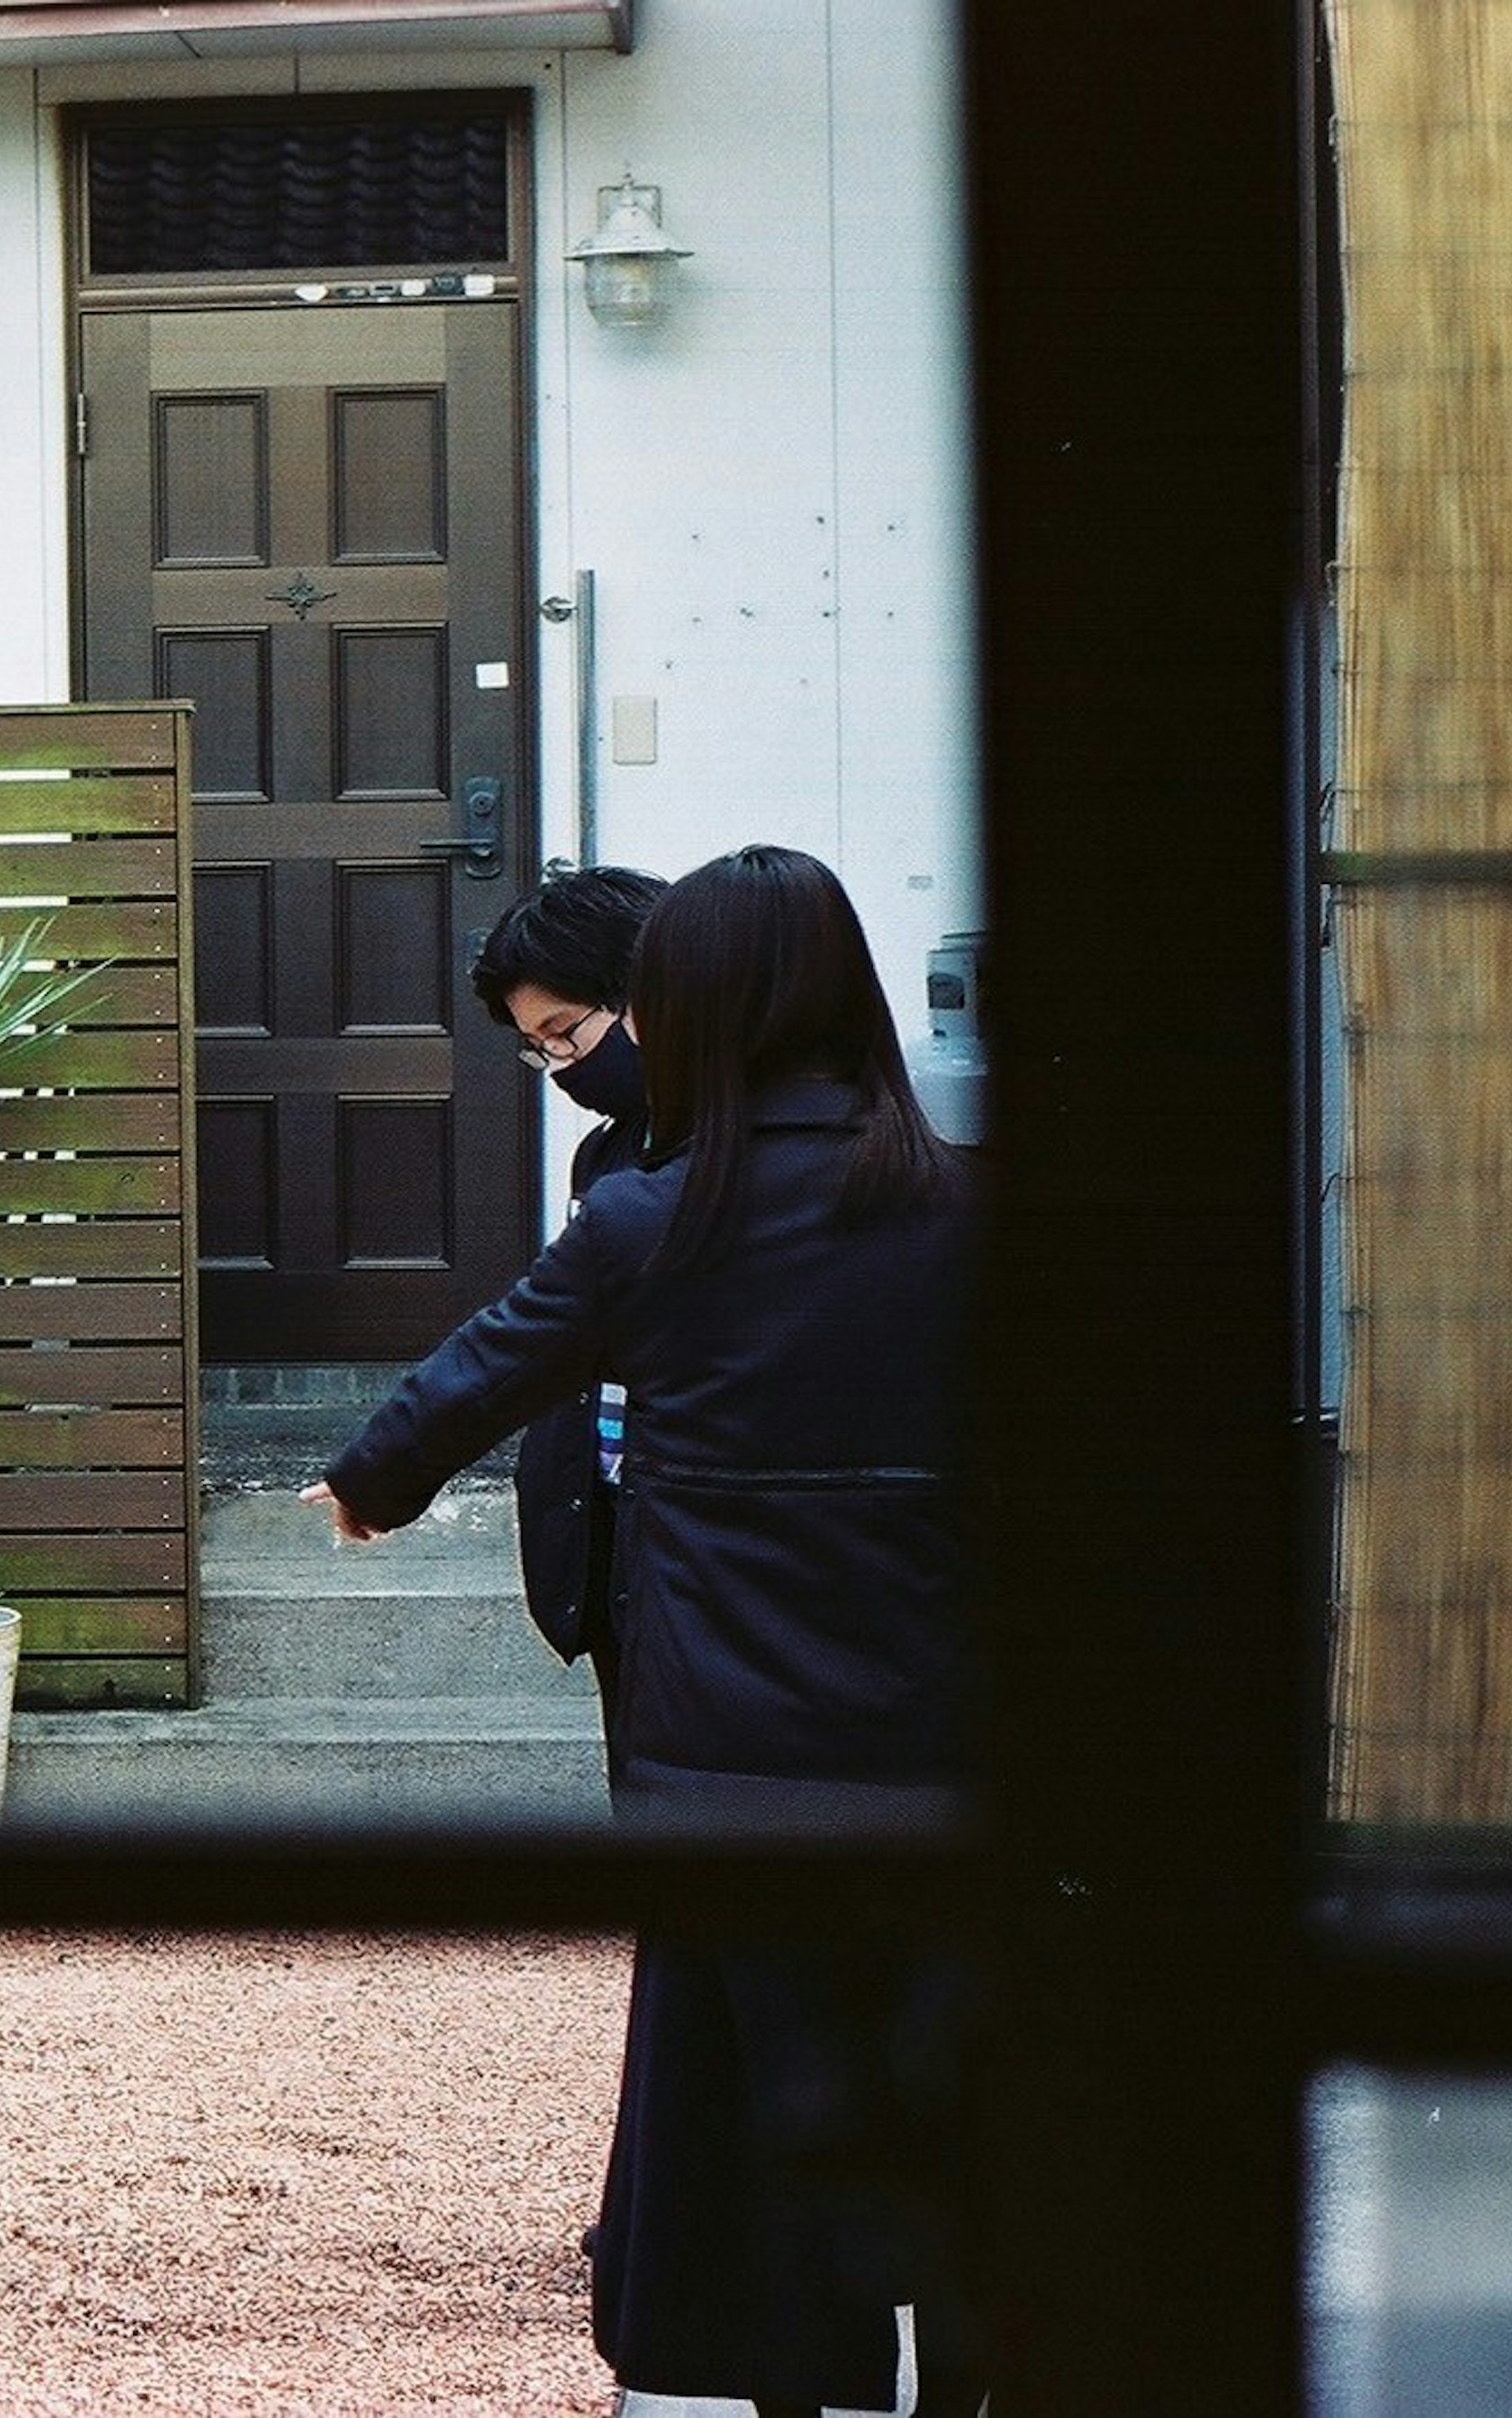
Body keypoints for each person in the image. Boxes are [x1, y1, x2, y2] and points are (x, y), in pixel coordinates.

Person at [306, 845, 985, 2417]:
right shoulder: (970, 1210)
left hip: (725, 1742)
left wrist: (368, 1481)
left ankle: (804, 2394)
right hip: (945, 1731)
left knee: (758, 2120)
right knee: (958, 2102)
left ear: (679, 1008)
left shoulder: (650, 1221)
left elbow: (488, 1365)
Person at [469, 863, 670, 1778]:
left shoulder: (763, 1145)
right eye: (537, 1048)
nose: (560, 1069)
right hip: (608, 1531)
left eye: (565, 1034)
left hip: (696, 1548)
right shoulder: (606, 1153)